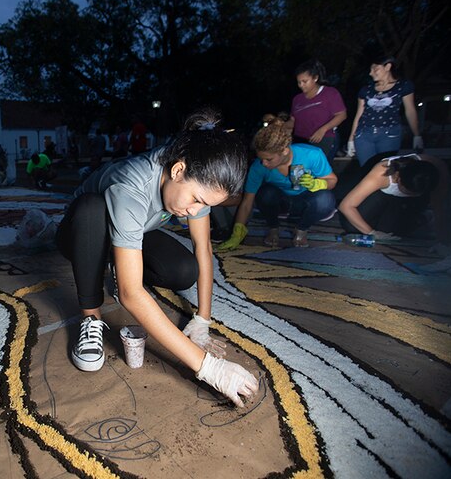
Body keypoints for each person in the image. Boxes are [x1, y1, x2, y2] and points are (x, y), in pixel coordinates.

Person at [55, 112, 258, 408]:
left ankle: (118, 264)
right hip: (81, 235)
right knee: (91, 208)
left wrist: (202, 319)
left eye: (206, 205)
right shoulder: (132, 184)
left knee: (184, 270)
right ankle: (91, 318)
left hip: (128, 232)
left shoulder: (197, 173)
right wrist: (208, 367)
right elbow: (131, 295)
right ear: (178, 170)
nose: (195, 211)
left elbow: (203, 248)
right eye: (197, 200)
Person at [218, 114, 337, 249]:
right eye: (261, 159)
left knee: (325, 199)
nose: (264, 163)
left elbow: (332, 180)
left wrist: (318, 183)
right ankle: (273, 228)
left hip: (305, 201)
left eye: (269, 159)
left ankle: (301, 230)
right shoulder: (258, 166)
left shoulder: (312, 154)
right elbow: (247, 202)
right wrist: (237, 232)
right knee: (265, 193)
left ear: (285, 151)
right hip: (280, 202)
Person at [338, 153, 448, 242]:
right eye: (408, 192)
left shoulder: (435, 169)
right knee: (353, 227)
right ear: (398, 178)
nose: (412, 194)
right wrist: (372, 233)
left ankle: (421, 218)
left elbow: (440, 208)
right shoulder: (382, 172)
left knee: (392, 232)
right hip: (380, 197)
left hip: (406, 204)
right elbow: (346, 206)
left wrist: (442, 242)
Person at [347, 55, 422, 166]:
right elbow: (359, 114)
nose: (371, 73)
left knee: (385, 168)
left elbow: (410, 111)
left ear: (387, 67)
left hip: (389, 134)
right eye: (370, 70)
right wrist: (351, 139)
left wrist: (417, 135)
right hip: (364, 134)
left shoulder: (403, 86)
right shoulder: (366, 90)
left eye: (375, 69)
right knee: (367, 168)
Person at [286, 60, 347, 160]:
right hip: (301, 141)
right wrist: (280, 126)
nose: (301, 85)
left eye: (305, 81)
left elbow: (342, 115)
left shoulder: (329, 93)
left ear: (315, 78)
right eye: (299, 82)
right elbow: (293, 121)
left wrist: (322, 130)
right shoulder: (297, 99)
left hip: (324, 138)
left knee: (317, 166)